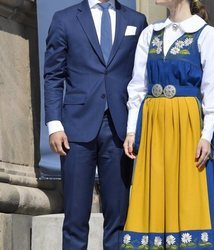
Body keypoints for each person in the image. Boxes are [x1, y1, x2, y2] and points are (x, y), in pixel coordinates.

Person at [121, 0, 214, 249]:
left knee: (189, 197)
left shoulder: (205, 34)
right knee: (152, 198)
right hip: (154, 128)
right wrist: (131, 130)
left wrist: (206, 135)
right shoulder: (150, 33)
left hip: (187, 127)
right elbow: (138, 86)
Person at [44, 0, 147, 249]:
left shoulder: (136, 20)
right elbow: (53, 75)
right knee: (75, 216)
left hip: (120, 130)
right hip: (75, 129)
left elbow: (140, 76)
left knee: (119, 217)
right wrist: (54, 124)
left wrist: (135, 126)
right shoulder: (64, 19)